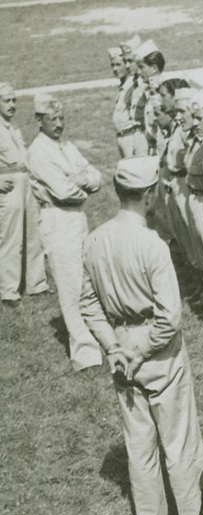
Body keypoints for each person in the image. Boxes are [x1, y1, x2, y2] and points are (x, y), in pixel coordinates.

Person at [78, 157, 203, 515]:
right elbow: (170, 318)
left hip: (121, 342)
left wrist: (114, 347)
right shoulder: (151, 244)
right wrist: (139, 350)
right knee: (179, 438)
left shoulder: (95, 239)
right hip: (157, 348)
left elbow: (88, 304)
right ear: (149, 195)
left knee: (139, 441)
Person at [26, 94, 103, 369]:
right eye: (52, 119)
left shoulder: (66, 147)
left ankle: (96, 336)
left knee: (87, 280)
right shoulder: (38, 152)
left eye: (61, 118)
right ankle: (84, 351)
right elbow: (63, 192)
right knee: (70, 285)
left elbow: (96, 176)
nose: (58, 124)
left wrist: (80, 179)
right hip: (57, 220)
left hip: (77, 219)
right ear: (39, 121)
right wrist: (79, 184)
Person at [0, 83, 48, 309]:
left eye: (13, 100)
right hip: (8, 185)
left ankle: (36, 284)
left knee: (33, 233)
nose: (11, 105)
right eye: (6, 101)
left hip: (25, 181)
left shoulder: (12, 127)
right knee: (11, 236)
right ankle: (9, 290)